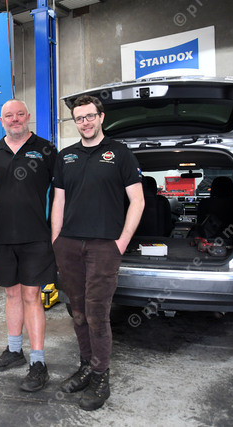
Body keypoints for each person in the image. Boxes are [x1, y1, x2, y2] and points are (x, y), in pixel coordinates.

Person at [51, 95, 144, 411]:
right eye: (79, 118)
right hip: (69, 246)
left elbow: (138, 200)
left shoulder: (120, 154)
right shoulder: (66, 157)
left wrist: (121, 242)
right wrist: (56, 240)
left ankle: (101, 376)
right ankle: (86, 366)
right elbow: (59, 200)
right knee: (77, 312)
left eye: (90, 116)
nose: (85, 122)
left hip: (104, 247)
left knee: (97, 314)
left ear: (101, 117)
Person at [0, 99, 58, 392]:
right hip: (2, 240)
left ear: (29, 117)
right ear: (1, 121)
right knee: (11, 295)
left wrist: (56, 234)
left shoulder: (46, 150)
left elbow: (60, 195)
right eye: (9, 116)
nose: (15, 119)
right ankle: (14, 351)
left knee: (31, 296)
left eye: (20, 114)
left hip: (37, 238)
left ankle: (38, 363)